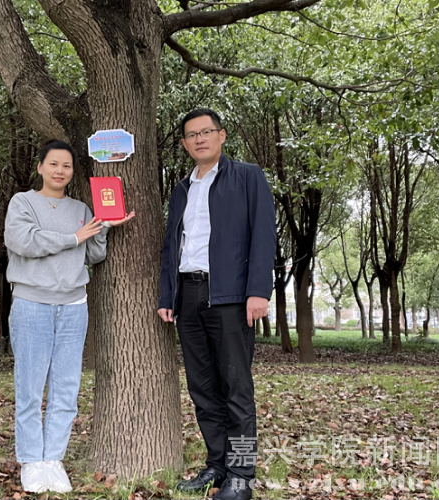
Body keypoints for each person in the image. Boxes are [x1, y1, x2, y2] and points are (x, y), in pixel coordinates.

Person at [4, 140, 134, 493]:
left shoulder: (80, 208)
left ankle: (53, 459)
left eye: (67, 166)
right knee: (30, 387)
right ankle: (31, 460)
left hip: (74, 306)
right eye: (54, 164)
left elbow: (91, 254)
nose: (60, 171)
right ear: (40, 167)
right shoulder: (23, 203)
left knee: (66, 387)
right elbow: (24, 242)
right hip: (32, 303)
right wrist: (73, 237)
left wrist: (103, 227)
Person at [158, 109, 275, 500]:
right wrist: (167, 295)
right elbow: (172, 246)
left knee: (236, 388)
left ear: (221, 135)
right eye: (192, 135)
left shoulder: (247, 177)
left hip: (231, 296)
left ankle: (241, 476)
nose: (199, 139)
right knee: (203, 389)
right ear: (184, 144)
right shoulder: (181, 189)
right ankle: (217, 466)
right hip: (188, 296)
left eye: (206, 132)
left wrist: (259, 290)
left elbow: (264, 234)